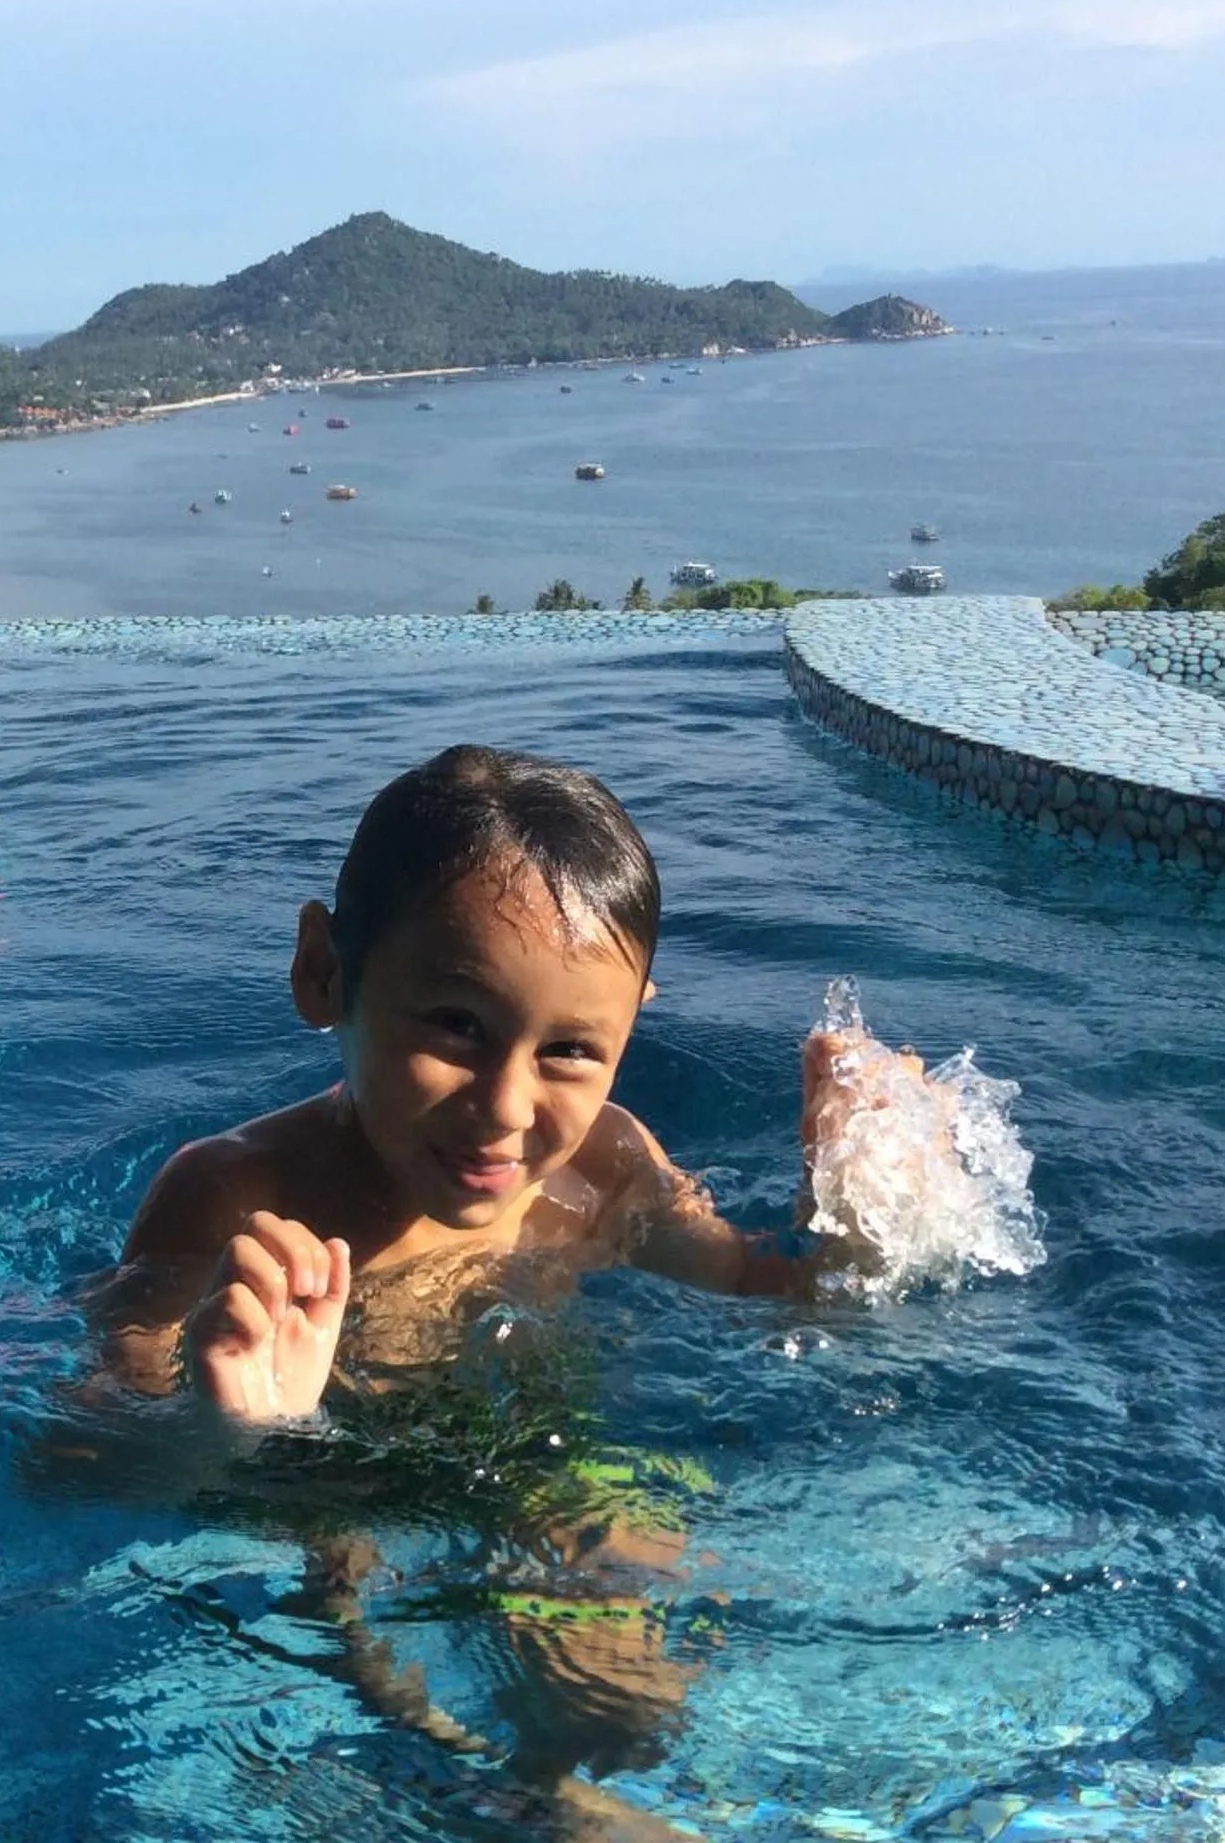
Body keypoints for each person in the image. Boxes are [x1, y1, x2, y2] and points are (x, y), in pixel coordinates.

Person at [78, 744, 885, 1825]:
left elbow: (758, 1284)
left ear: (635, 1019)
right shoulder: (231, 1194)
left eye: (569, 1052)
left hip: (537, 1465)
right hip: (327, 1500)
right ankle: (487, 1791)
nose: (506, 1108)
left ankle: (543, 1791)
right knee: (345, 1629)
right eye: (458, 1026)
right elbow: (80, 1456)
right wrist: (236, 1429)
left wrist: (861, 1207)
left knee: (629, 1711)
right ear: (325, 971)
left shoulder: (605, 1165)